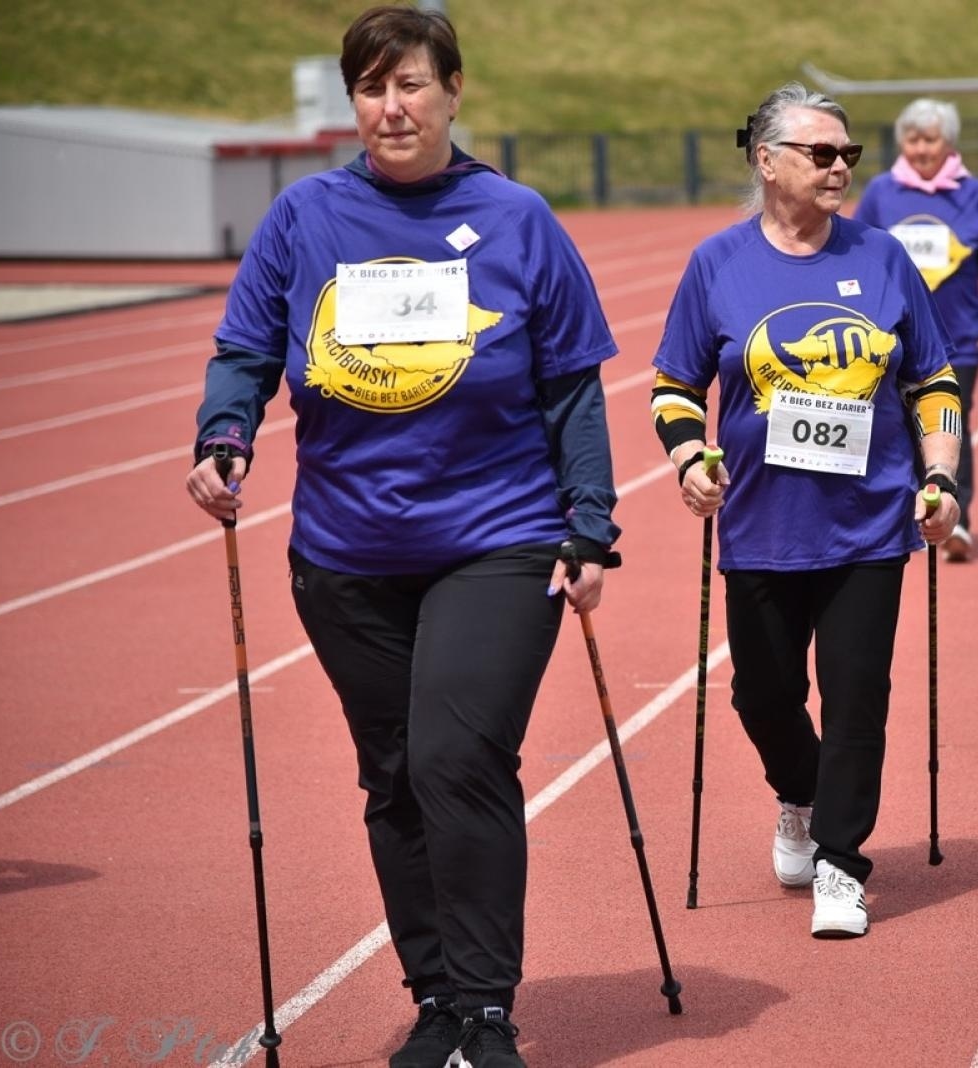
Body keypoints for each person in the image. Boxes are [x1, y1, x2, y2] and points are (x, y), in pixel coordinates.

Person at [184, 7, 620, 1066]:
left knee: (455, 755)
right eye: (372, 89)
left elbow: (571, 388)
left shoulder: (517, 219)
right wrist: (223, 432)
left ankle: (484, 1009)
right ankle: (433, 998)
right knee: (392, 774)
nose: (392, 106)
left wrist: (590, 524)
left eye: (412, 84)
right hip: (344, 553)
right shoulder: (305, 218)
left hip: (499, 536)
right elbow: (244, 349)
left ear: (455, 91)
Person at [649, 82, 962, 939]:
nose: (838, 168)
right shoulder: (719, 263)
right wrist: (686, 459)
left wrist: (940, 479)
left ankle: (840, 863)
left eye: (848, 155)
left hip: (868, 525)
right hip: (758, 524)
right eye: (821, 153)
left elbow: (930, 380)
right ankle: (800, 793)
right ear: (768, 161)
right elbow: (676, 385)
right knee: (764, 696)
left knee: (858, 695)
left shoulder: (885, 257)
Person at [855, 97, 978, 562]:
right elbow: (859, 259)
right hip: (891, 341)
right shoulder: (881, 193)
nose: (922, 149)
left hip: (958, 338)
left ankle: (955, 515)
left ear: (949, 143)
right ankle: (902, 516)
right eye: (913, 139)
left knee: (948, 422)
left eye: (931, 139)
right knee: (897, 425)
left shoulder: (976, 193)